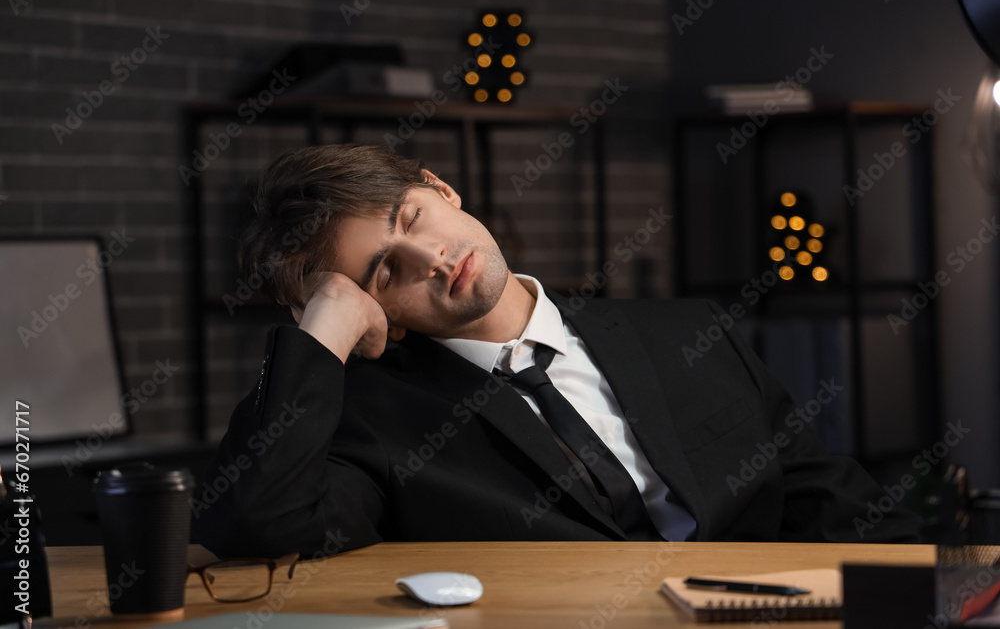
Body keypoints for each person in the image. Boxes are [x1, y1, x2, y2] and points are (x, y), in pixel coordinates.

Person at [192, 143, 922, 558]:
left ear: (442, 188)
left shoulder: (688, 332)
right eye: (385, 270)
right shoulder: (374, 425)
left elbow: (834, 504)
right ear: (377, 311)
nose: (431, 256)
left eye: (411, 216)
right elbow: (256, 528)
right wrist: (323, 325)